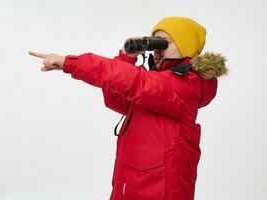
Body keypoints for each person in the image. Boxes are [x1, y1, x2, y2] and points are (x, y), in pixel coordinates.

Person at [29, 16, 228, 200]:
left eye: (165, 43)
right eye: (155, 43)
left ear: (186, 47)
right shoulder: (155, 89)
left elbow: (133, 81)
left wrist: (71, 63)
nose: (158, 49)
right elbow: (115, 97)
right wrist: (126, 57)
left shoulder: (187, 84)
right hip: (130, 185)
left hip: (161, 192)